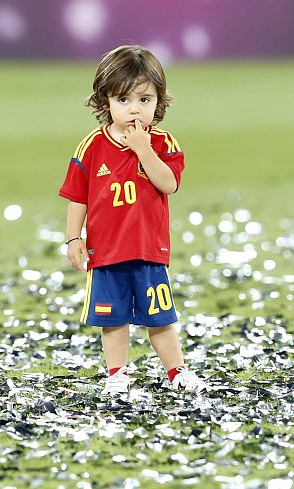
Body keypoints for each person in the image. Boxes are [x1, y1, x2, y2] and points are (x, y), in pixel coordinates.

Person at [59, 44, 205, 397]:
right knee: (113, 321)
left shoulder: (163, 142)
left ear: (159, 102)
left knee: (161, 319)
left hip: (149, 251)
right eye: (123, 100)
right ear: (105, 102)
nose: (134, 110)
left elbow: (168, 183)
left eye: (144, 100)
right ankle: (117, 374)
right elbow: (78, 196)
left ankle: (177, 372)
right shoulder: (91, 146)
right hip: (106, 252)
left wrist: (143, 149)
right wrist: (73, 238)